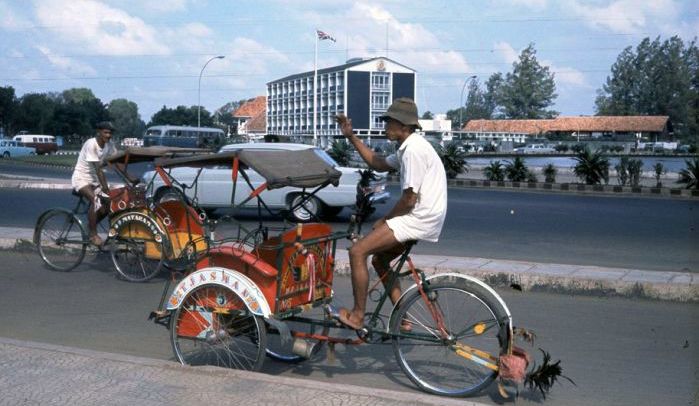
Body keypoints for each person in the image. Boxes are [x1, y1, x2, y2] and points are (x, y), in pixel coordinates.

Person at [334, 98, 448, 330]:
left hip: (419, 217)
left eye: (390, 122)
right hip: (424, 215)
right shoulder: (408, 146)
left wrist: (385, 220)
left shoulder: (413, 151)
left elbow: (409, 199)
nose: (385, 126)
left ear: (405, 127)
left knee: (357, 252)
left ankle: (357, 316)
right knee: (380, 259)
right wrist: (351, 136)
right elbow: (377, 163)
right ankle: (404, 319)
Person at [71, 121, 117, 246]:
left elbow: (117, 160)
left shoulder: (109, 145)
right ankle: (93, 234)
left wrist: (129, 177)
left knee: (108, 204)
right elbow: (98, 169)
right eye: (106, 132)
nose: (108, 135)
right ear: (99, 132)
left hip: (94, 180)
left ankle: (90, 225)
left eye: (110, 133)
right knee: (96, 200)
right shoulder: (91, 144)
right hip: (81, 179)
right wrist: (105, 188)